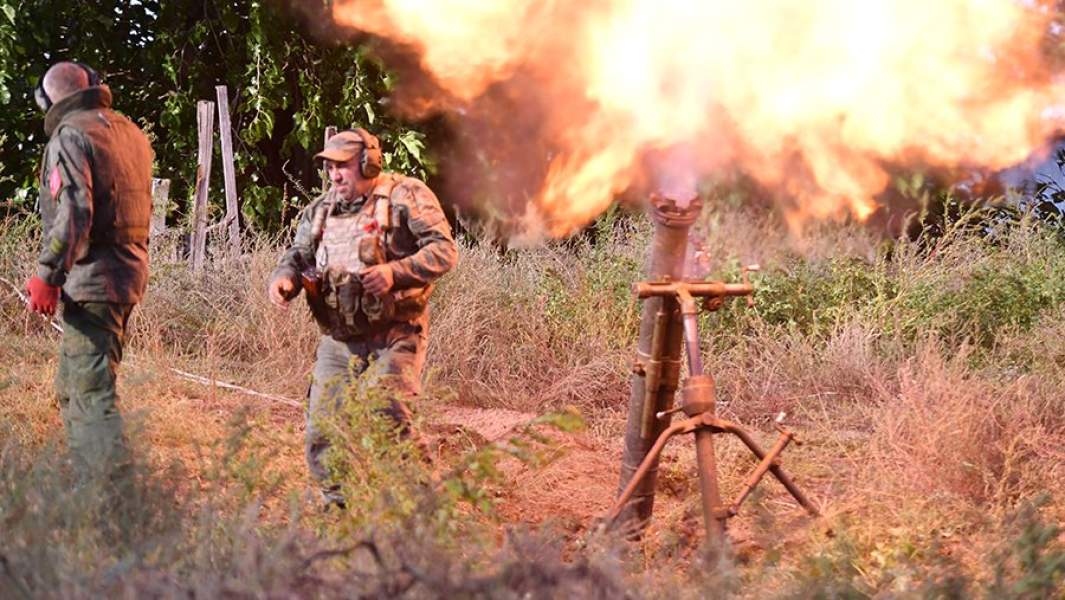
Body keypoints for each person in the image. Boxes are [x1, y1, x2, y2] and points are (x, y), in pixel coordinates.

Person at [268, 128, 457, 507]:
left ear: (368, 164)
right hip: (339, 340)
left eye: (343, 167)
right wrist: (284, 278)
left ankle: (425, 507)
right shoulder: (322, 209)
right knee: (323, 425)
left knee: (386, 410)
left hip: (396, 335)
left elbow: (444, 251)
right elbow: (298, 254)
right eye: (330, 168)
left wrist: (394, 272)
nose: (335, 176)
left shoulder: (405, 196)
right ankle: (337, 506)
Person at [24, 62, 154, 486]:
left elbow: (75, 211)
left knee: (92, 394)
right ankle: (89, 483)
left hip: (93, 278)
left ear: (48, 101)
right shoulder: (128, 131)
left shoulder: (71, 135)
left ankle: (112, 499)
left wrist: (48, 274)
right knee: (74, 384)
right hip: (126, 275)